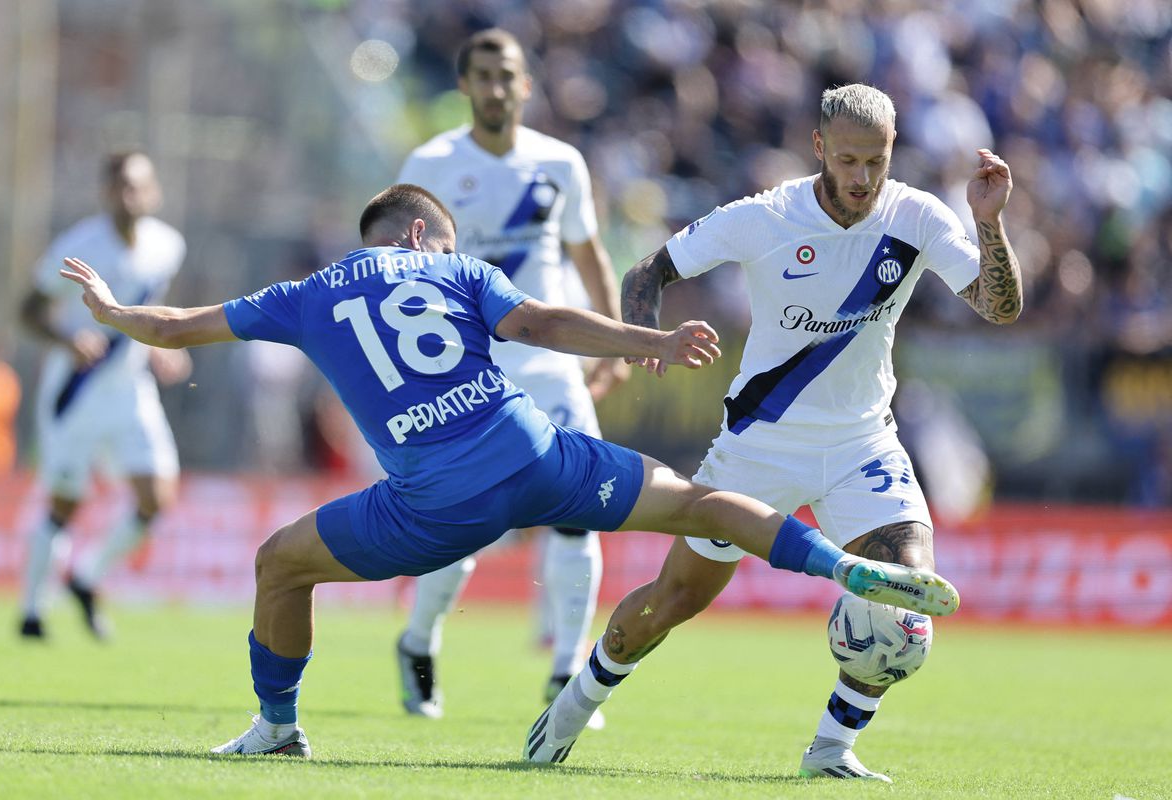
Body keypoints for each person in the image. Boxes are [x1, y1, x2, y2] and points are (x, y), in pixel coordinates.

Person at [59, 184, 960, 758]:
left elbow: (175, 328)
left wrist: (108, 307)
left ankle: (276, 726)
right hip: (536, 457)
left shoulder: (306, 295)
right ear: (423, 235)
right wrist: (652, 338)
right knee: (701, 504)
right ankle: (836, 567)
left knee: (280, 564)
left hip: (433, 508)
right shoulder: (455, 273)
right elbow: (544, 328)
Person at [526, 84, 1022, 780]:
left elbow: (999, 308)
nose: (862, 178)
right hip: (758, 444)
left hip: (862, 444)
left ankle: (830, 750)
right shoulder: (766, 217)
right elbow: (651, 270)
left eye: (876, 162)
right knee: (674, 602)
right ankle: (577, 701)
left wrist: (990, 222)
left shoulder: (919, 216)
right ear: (819, 148)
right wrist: (646, 338)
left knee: (903, 607)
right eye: (847, 160)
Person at [391, 28, 628, 722]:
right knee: (459, 530)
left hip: (552, 368)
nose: (497, 88)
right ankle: (417, 640)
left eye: (508, 76)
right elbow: (396, 275)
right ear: (464, 87)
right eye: (483, 77)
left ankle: (566, 675)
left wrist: (609, 347)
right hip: (469, 372)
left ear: (527, 84)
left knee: (582, 516)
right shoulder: (429, 164)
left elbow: (589, 258)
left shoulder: (561, 163)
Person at [18, 152, 188, 640]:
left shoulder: (167, 245)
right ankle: (32, 612)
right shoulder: (79, 246)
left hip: (131, 389)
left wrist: (163, 351)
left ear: (153, 191)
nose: (128, 195)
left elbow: (152, 309)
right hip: (77, 390)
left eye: (137, 186)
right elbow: (28, 310)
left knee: (156, 497)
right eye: (119, 186)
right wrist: (66, 339)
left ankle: (86, 577)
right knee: (65, 502)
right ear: (105, 192)